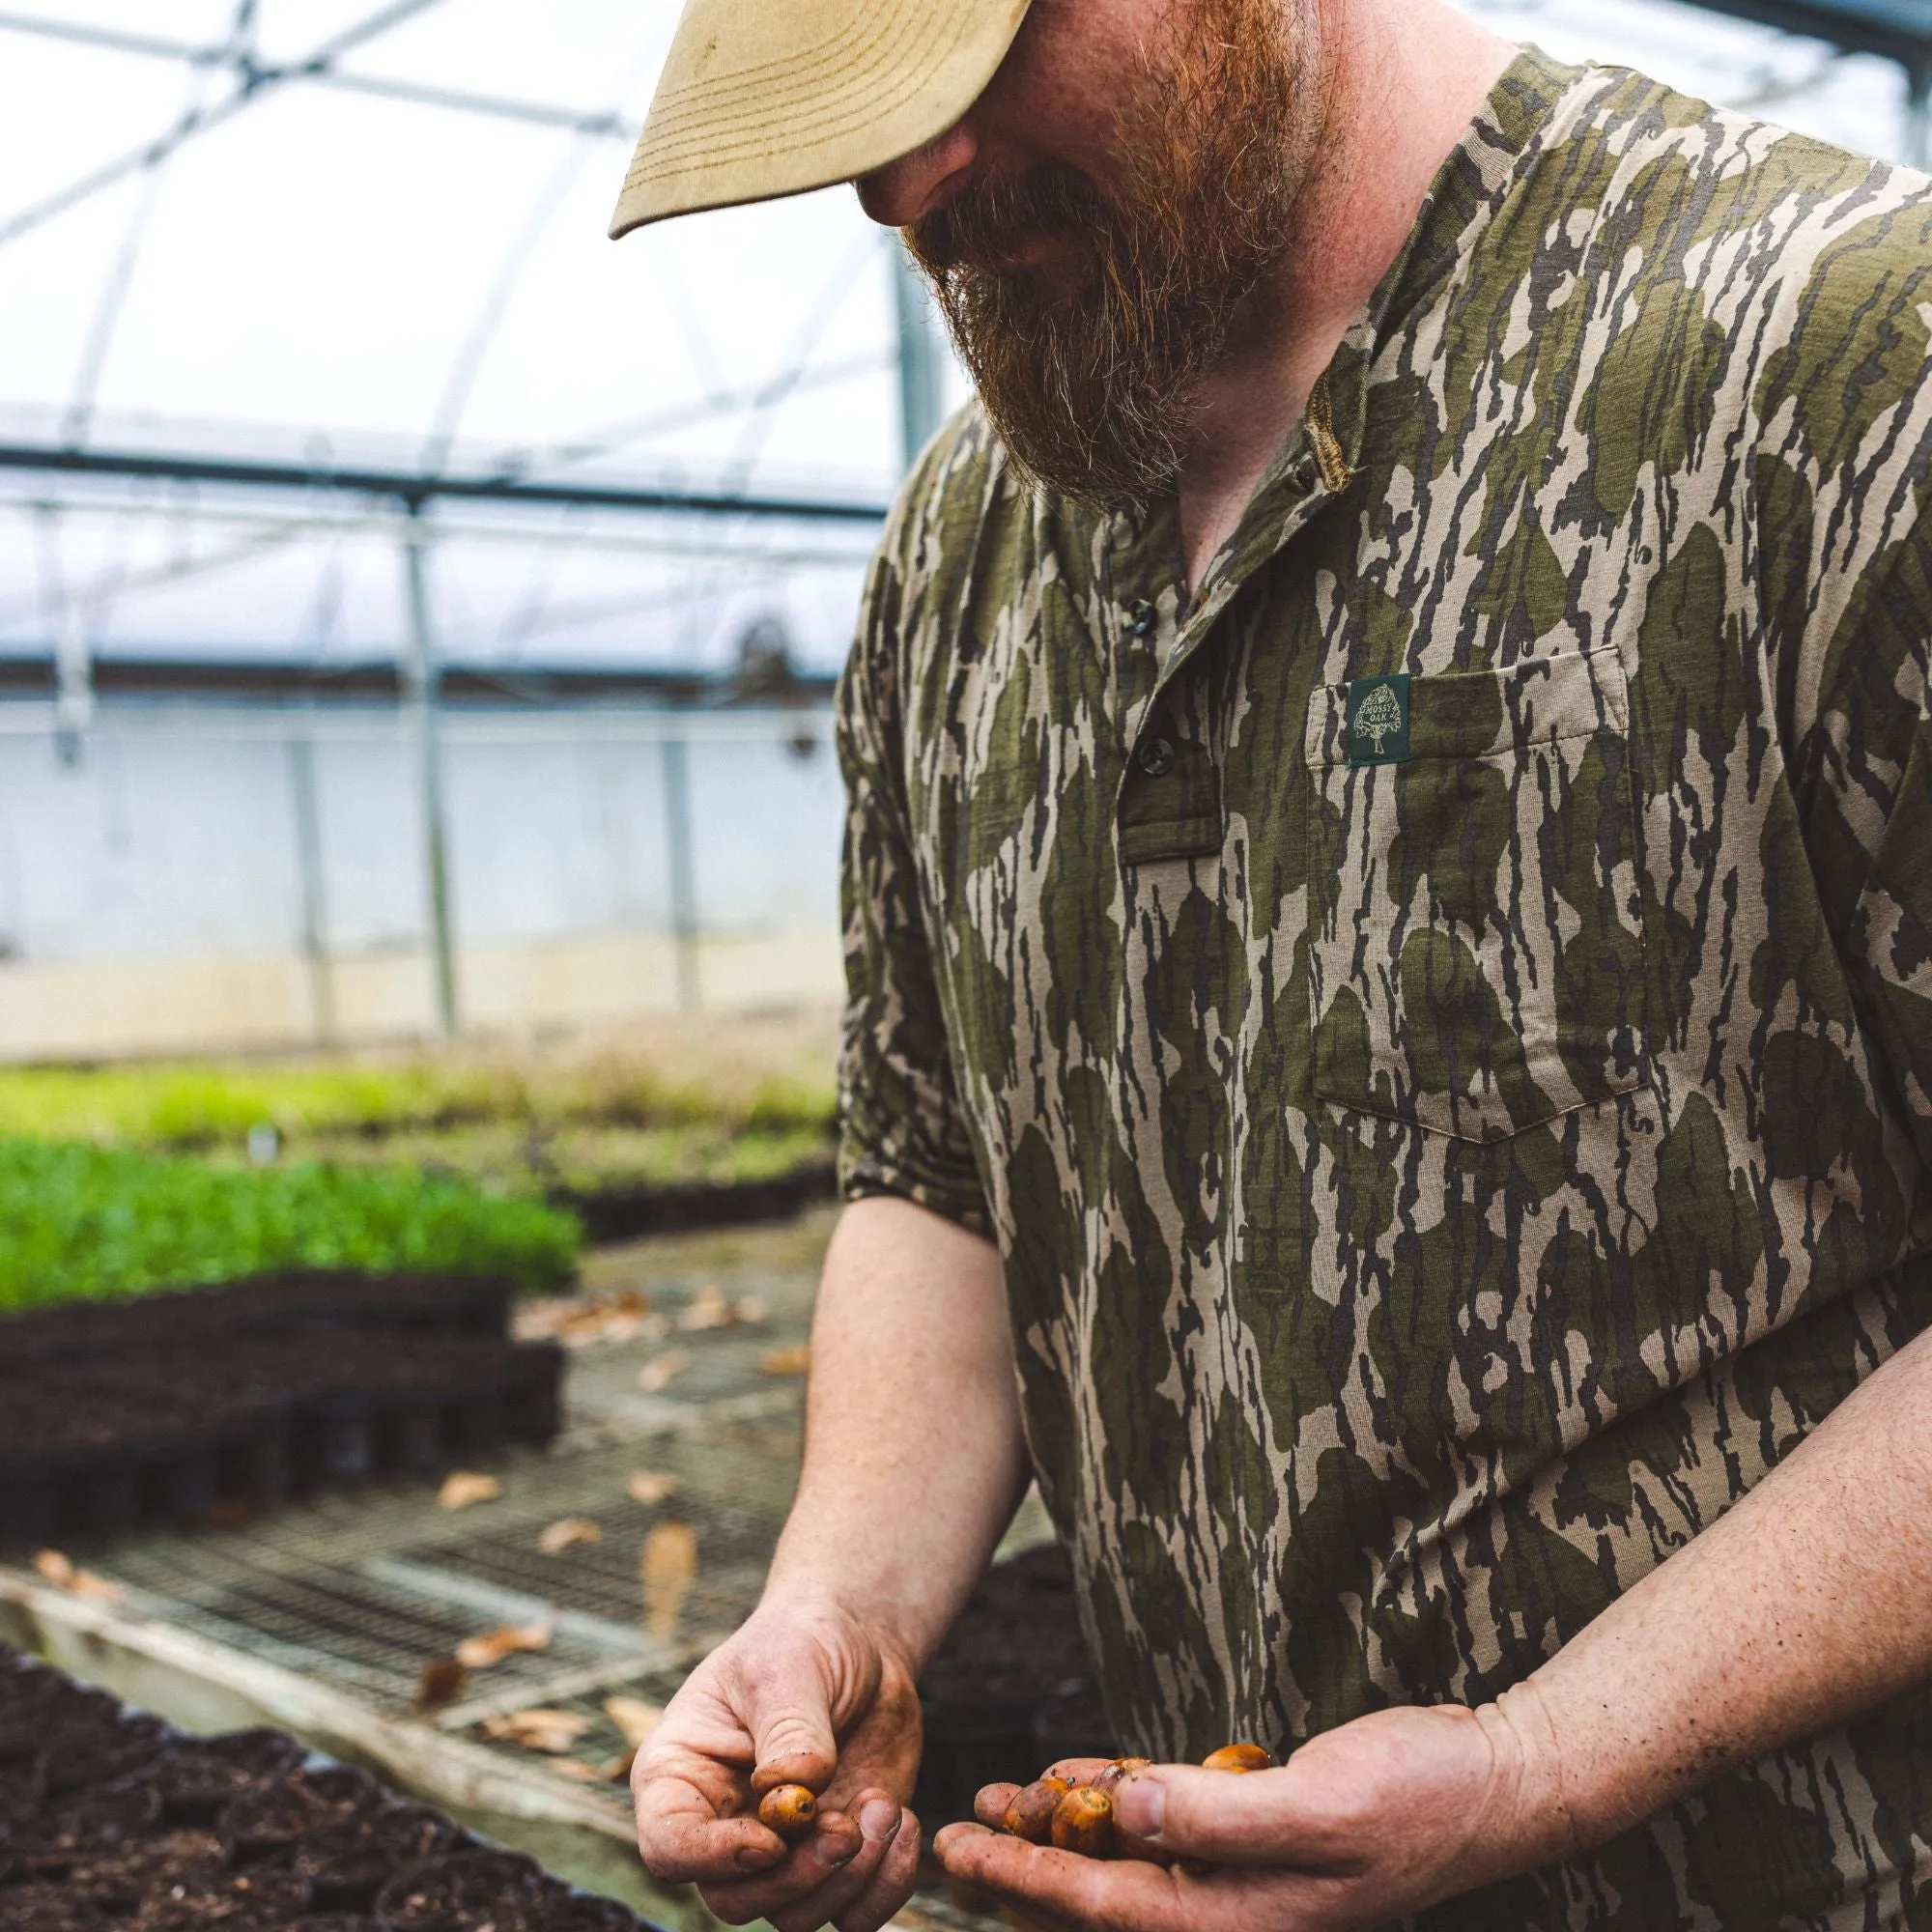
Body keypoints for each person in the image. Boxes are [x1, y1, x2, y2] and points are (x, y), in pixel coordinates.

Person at [611, 0, 1932, 1923]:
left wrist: (1543, 1758)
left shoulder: (1835, 373)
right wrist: (840, 1609)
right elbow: (943, 1178)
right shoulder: (965, 550)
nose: (903, 187)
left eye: (964, 71)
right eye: (855, 127)